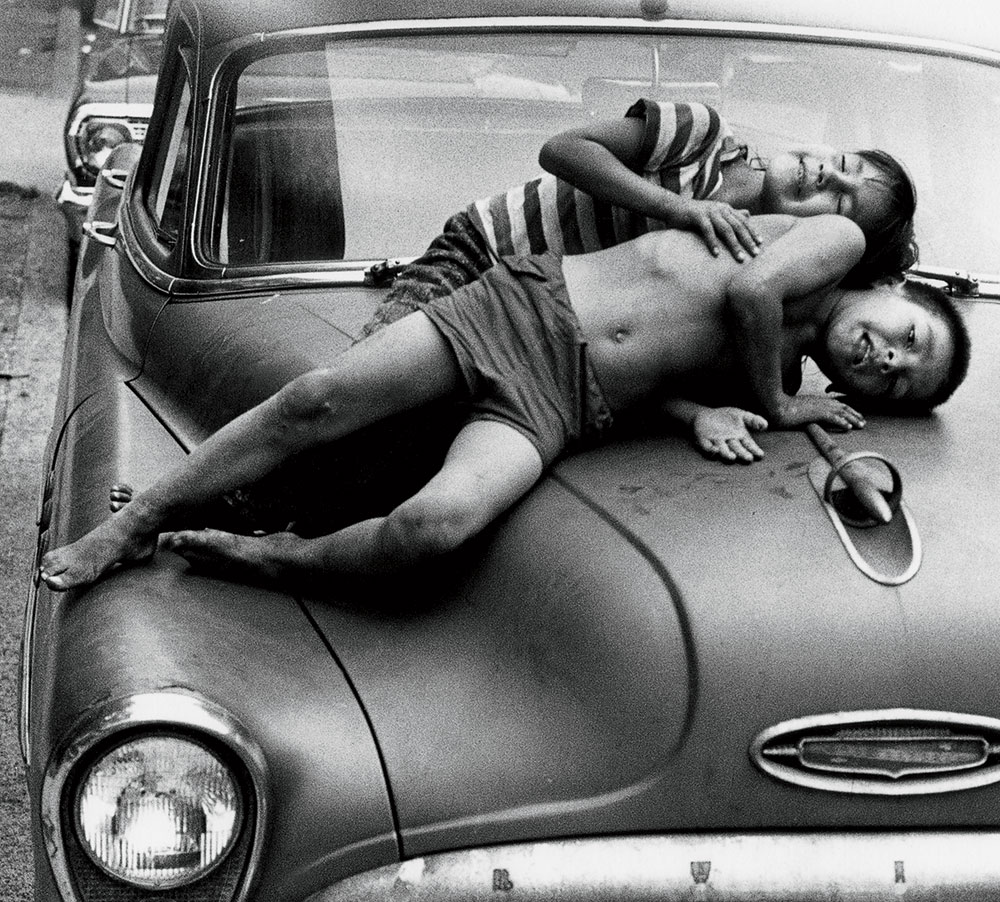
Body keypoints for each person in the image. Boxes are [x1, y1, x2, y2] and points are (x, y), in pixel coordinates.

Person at [39, 212, 968, 597]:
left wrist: (708, 414)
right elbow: (749, 293)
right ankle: (143, 520)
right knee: (318, 399)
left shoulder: (787, 376)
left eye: (894, 381)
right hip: (521, 309)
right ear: (895, 287)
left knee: (435, 527)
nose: (885, 358)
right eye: (907, 338)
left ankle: (285, 562)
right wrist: (777, 401)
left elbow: (656, 386)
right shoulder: (835, 240)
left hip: (562, 404)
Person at [363, 99, 918, 336]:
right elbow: (562, 149)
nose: (829, 176)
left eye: (842, 204)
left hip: (535, 320)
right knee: (367, 370)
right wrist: (680, 208)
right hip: (485, 251)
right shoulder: (703, 133)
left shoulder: (753, 267)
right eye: (844, 163)